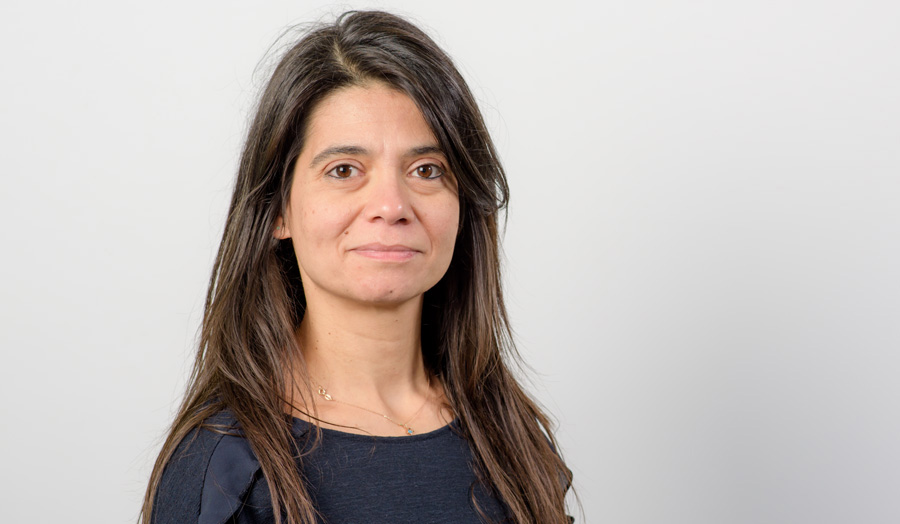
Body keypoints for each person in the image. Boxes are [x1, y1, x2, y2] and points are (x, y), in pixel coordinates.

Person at [141, 10, 574, 524]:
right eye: (344, 170)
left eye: (426, 170)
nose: (391, 204)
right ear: (278, 208)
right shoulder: (227, 472)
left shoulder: (511, 438)